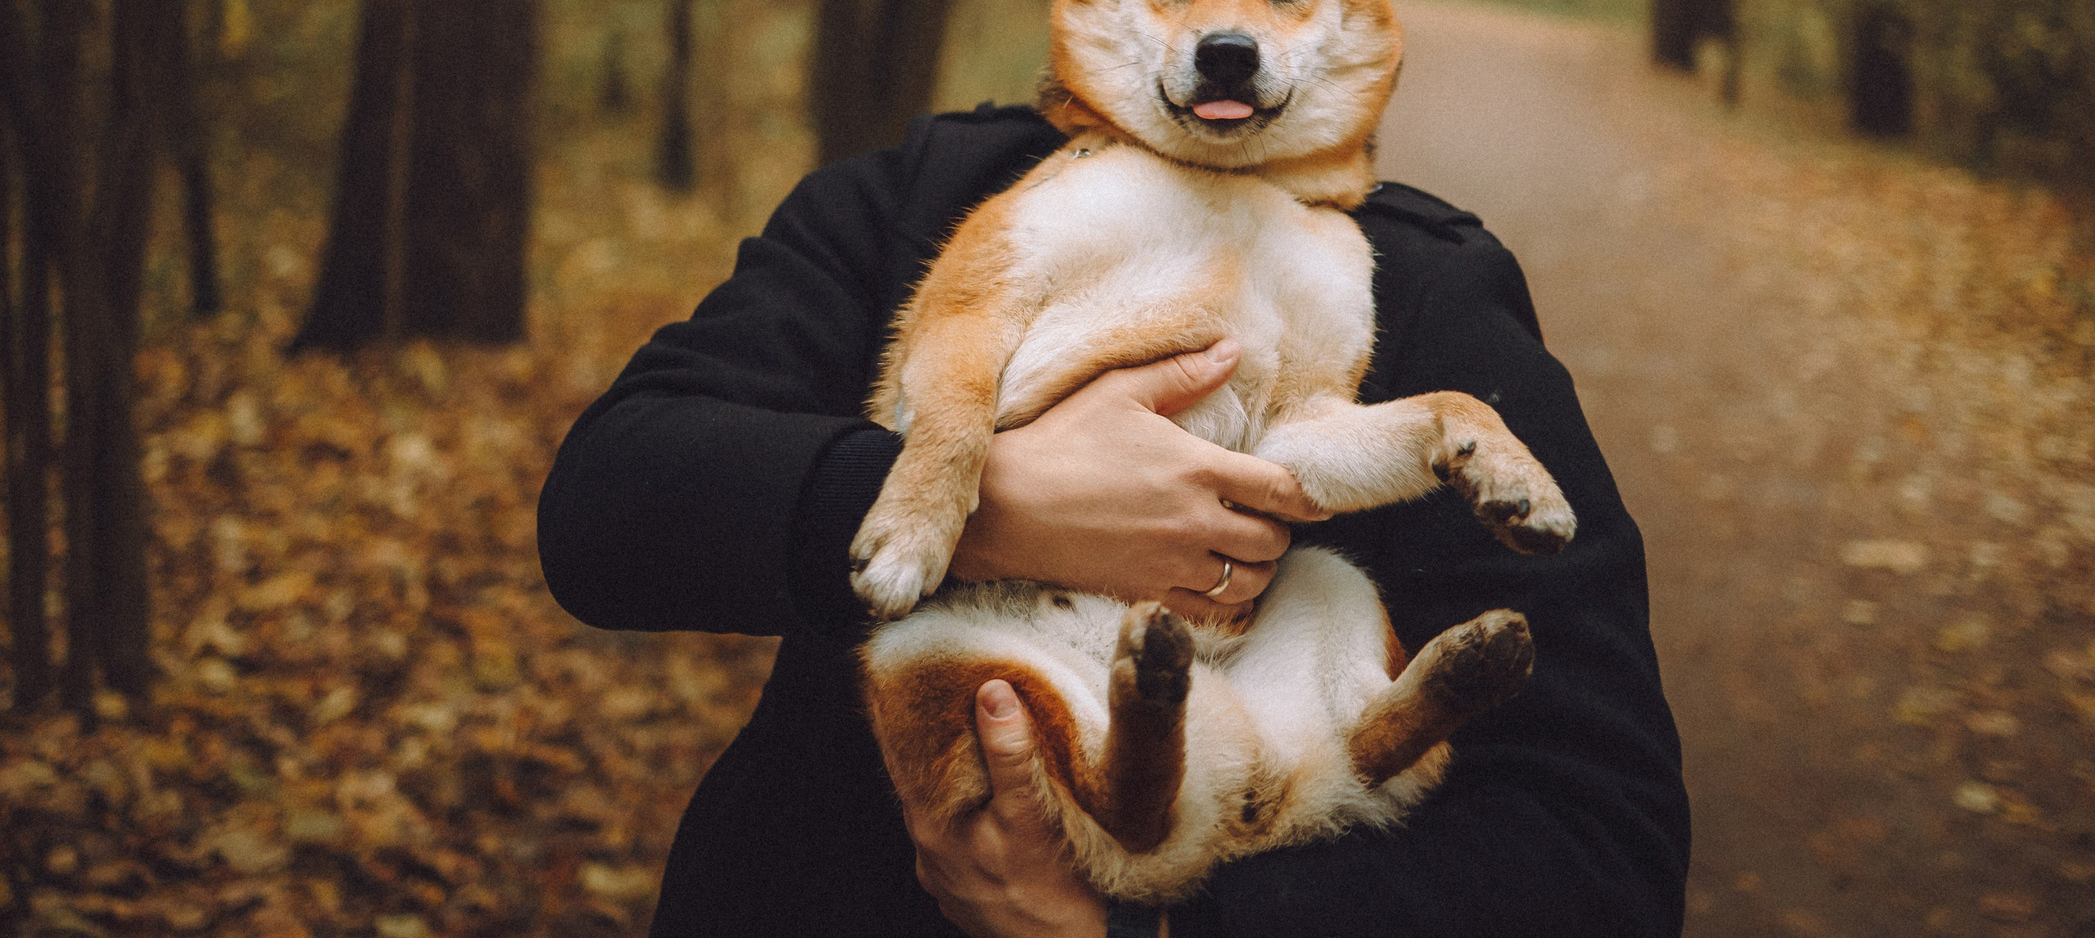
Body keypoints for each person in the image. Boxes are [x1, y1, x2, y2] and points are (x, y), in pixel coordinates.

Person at [537, 104, 1690, 936]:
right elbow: (609, 500)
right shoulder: (920, 200)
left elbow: (1600, 848)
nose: (1222, 38)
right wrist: (990, 508)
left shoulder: (1421, 284)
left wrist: (1148, 933)